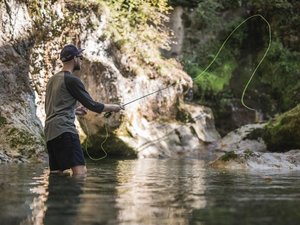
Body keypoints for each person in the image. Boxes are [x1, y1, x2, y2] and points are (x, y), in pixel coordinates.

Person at [44, 44, 123, 176]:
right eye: (80, 57)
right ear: (75, 58)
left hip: (50, 134)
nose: (81, 60)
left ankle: (56, 197)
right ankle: (74, 196)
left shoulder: (52, 80)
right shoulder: (72, 80)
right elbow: (93, 105)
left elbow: (53, 109)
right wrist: (114, 107)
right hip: (65, 131)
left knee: (56, 175)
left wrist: (74, 111)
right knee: (80, 173)